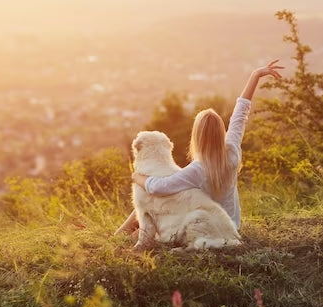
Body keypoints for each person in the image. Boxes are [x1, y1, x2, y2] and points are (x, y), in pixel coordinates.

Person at [115, 59, 284, 236]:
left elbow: (158, 187)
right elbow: (241, 112)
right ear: (221, 132)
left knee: (152, 203)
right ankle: (123, 232)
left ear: (197, 136)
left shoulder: (197, 169)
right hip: (232, 225)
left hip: (204, 227)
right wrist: (255, 75)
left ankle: (122, 233)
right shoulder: (232, 151)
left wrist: (138, 177)